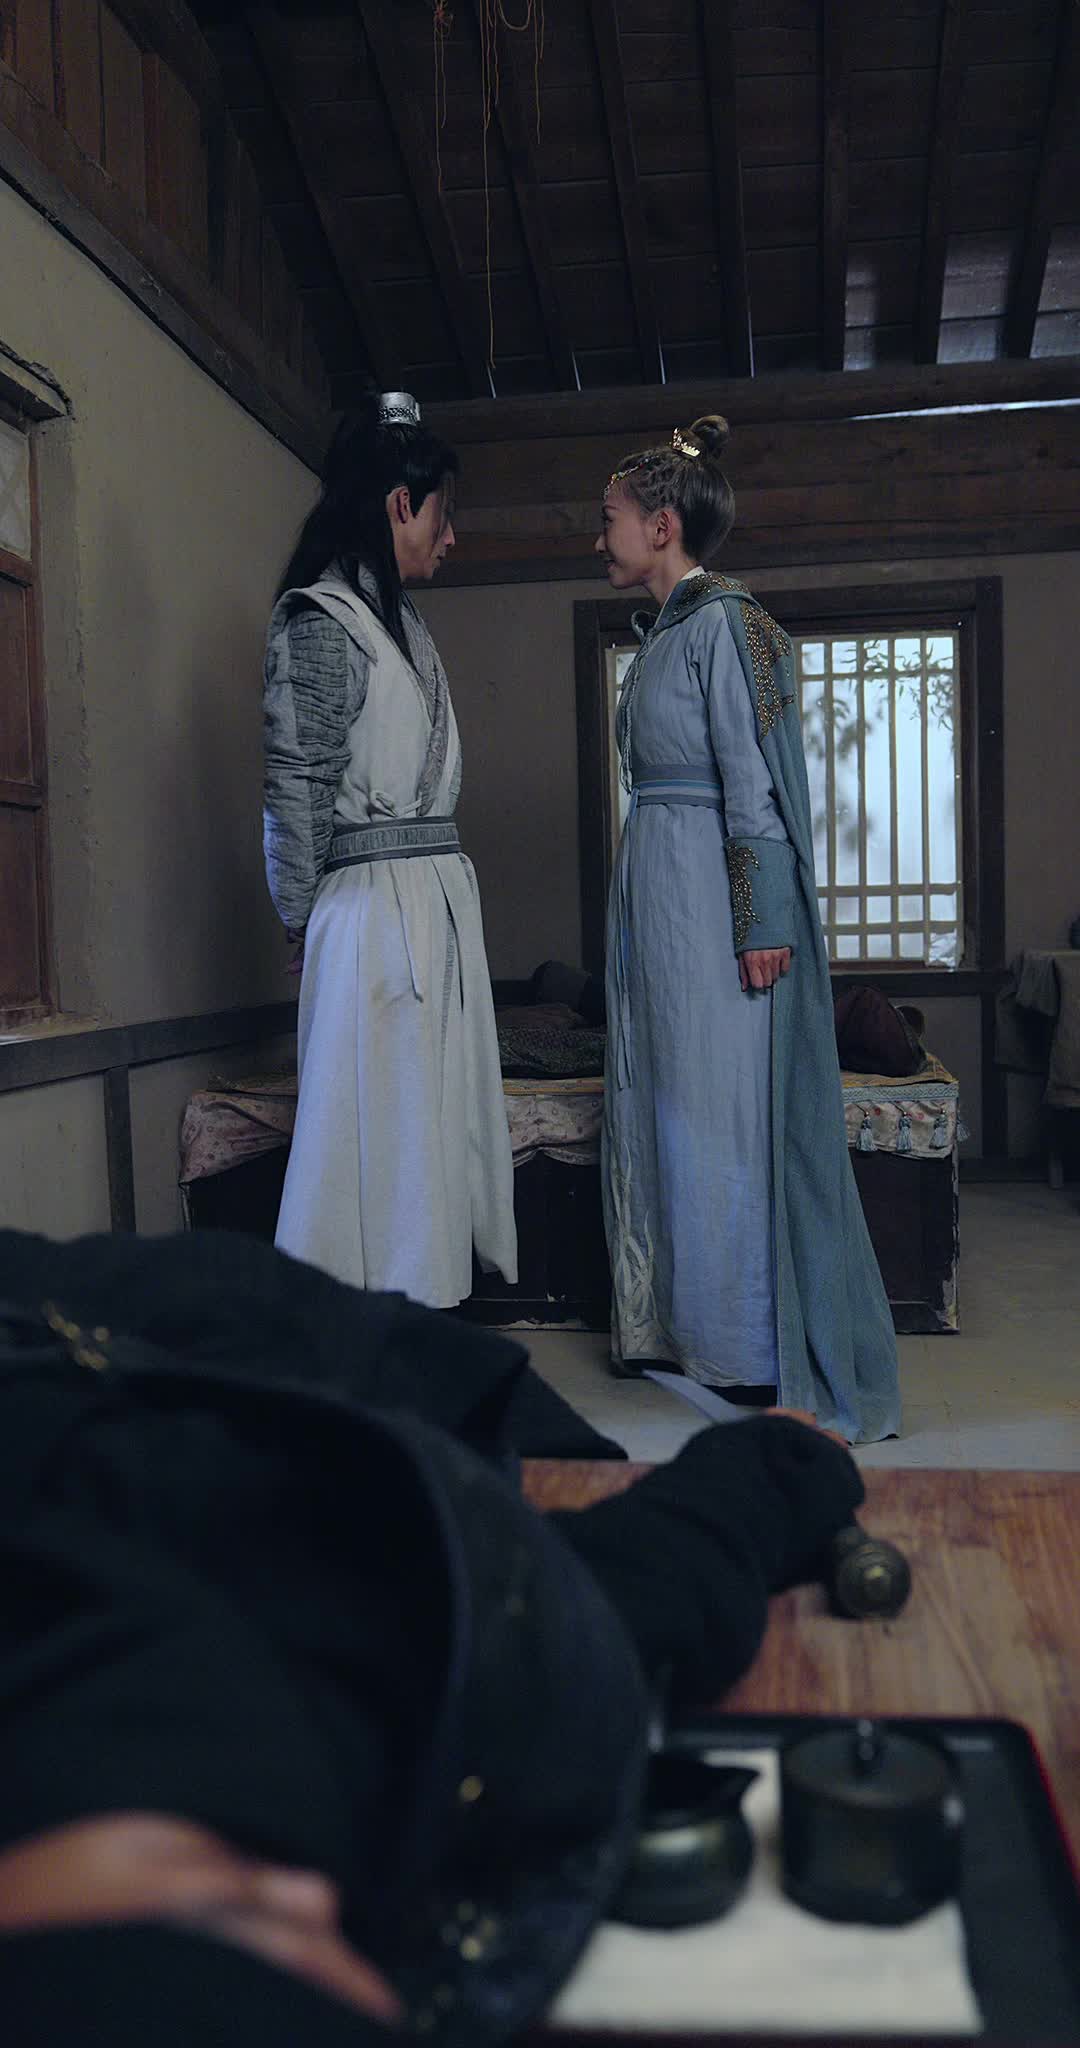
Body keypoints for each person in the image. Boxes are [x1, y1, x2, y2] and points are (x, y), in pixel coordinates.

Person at [0, 1229, 864, 2045]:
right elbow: (646, 1573)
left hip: (191, 1336)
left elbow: (638, 1573)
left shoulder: (331, 1610)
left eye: (237, 1901)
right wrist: (781, 1463)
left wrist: (775, 1463)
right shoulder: (444, 1710)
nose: (314, 1900)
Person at [595, 415, 900, 1444]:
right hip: (658, 894)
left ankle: (748, 1348)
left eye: (610, 517)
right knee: (673, 1106)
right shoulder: (662, 635)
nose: (600, 536)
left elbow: (753, 781)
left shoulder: (727, 623)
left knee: (724, 1113)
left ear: (661, 525)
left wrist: (761, 918)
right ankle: (686, 1330)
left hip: (710, 901)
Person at [263, 391, 516, 1307]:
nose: (451, 537)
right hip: (370, 920)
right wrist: (301, 921)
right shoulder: (321, 621)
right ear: (401, 504)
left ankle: (427, 1314)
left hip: (428, 904)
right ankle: (365, 1325)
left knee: (427, 1132)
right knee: (376, 1137)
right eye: (443, 515)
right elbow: (295, 789)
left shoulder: (400, 621)